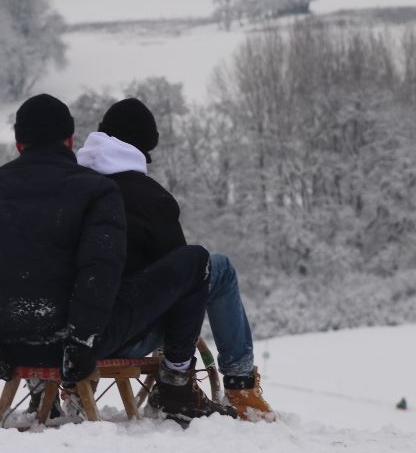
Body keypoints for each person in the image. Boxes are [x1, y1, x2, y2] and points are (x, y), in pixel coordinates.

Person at [0, 93, 235, 423]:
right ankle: (178, 385)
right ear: (69, 139)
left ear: (19, 143)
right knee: (195, 259)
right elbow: (101, 269)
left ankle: (41, 393)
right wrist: (81, 339)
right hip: (78, 348)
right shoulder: (95, 190)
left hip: (6, 347)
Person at [76, 97, 276, 421]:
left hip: (69, 335)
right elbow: (185, 282)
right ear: (140, 150)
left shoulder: (71, 188)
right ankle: (241, 388)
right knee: (217, 267)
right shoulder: (149, 197)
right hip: (123, 335)